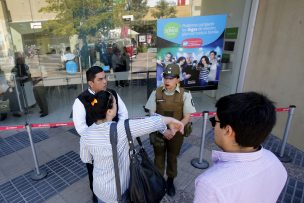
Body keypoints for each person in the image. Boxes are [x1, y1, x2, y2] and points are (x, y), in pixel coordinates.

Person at [80, 90, 184, 203]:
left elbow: (86, 159)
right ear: (109, 111)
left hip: (99, 189)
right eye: (115, 104)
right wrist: (171, 120)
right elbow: (151, 122)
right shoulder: (122, 128)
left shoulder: (86, 134)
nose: (117, 106)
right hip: (120, 191)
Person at [194, 92, 287, 203]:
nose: (213, 126)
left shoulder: (210, 185)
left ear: (228, 130)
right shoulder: (275, 162)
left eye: (214, 121)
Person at [73, 65, 128, 203]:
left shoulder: (112, 94)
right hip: (95, 147)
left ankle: (121, 190)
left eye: (105, 78)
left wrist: (119, 133)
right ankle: (96, 194)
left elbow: (124, 114)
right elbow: (81, 127)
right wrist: (97, 139)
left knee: (119, 167)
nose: (105, 82)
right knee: (94, 172)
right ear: (90, 83)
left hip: (116, 141)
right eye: (100, 79)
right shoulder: (81, 100)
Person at [145, 64, 196, 196]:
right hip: (159, 132)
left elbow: (187, 117)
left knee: (172, 158)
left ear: (178, 79)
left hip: (176, 133)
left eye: (171, 78)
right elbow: (152, 114)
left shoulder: (185, 94)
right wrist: (164, 130)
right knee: (159, 157)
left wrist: (176, 128)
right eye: (165, 77)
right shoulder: (156, 92)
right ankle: (159, 182)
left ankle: (170, 181)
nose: (167, 81)